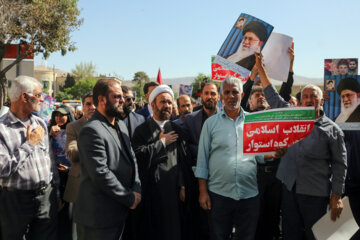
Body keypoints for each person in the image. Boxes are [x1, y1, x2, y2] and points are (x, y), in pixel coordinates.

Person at [255, 53, 347, 240]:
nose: (308, 100)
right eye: (305, 96)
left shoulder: (333, 130)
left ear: (321, 100)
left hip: (315, 194)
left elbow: (340, 164)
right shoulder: (291, 116)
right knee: (290, 233)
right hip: (289, 189)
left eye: (313, 96)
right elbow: (272, 96)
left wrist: (336, 195)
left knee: (315, 235)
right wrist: (262, 70)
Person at [194, 77, 283, 240]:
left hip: (249, 195)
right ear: (221, 96)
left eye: (235, 91)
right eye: (226, 92)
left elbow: (259, 155)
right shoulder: (210, 124)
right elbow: (202, 160)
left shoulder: (253, 123)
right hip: (219, 195)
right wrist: (202, 192)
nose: (231, 96)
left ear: (242, 94)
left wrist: (274, 154)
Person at [74, 79, 141, 240]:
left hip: (119, 213)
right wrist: (129, 197)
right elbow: (100, 173)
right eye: (117, 96)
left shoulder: (121, 125)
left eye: (122, 97)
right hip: (99, 219)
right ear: (102, 99)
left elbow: (132, 158)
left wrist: (137, 187)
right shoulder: (91, 130)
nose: (123, 100)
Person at [132, 85, 195, 240]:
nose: (167, 106)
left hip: (173, 193)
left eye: (169, 102)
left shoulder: (177, 130)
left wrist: (183, 185)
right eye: (163, 102)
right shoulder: (141, 130)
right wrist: (161, 143)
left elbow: (184, 162)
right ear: (153, 104)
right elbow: (138, 157)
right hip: (150, 193)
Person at [0, 75, 59, 240]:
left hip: (46, 197)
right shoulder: (2, 129)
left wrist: (56, 192)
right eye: (39, 95)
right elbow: (3, 169)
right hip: (16, 201)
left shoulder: (40, 123)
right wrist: (29, 144)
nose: (42, 99)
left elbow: (50, 161)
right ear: (24, 97)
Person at [63, 92, 95, 239]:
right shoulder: (73, 126)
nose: (92, 107)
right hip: (80, 187)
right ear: (82, 106)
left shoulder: (110, 124)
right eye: (88, 104)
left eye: (95, 103)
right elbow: (72, 154)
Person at [48, 105, 75, 240]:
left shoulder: (75, 131)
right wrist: (49, 133)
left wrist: (69, 169)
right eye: (56, 115)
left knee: (68, 216)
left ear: (68, 116)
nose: (59, 118)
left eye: (62, 115)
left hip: (71, 178)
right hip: (53, 177)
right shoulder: (50, 131)